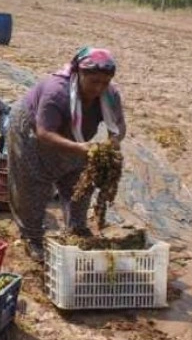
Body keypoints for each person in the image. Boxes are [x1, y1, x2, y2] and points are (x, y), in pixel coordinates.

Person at [7, 47, 126, 261]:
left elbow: (118, 127)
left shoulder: (110, 95)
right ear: (79, 74)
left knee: (80, 181)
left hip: (75, 135)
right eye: (94, 82)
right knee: (32, 184)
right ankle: (32, 237)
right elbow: (45, 133)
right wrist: (80, 148)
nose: (99, 88)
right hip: (32, 130)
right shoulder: (56, 93)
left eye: (104, 82)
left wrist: (112, 143)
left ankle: (77, 230)